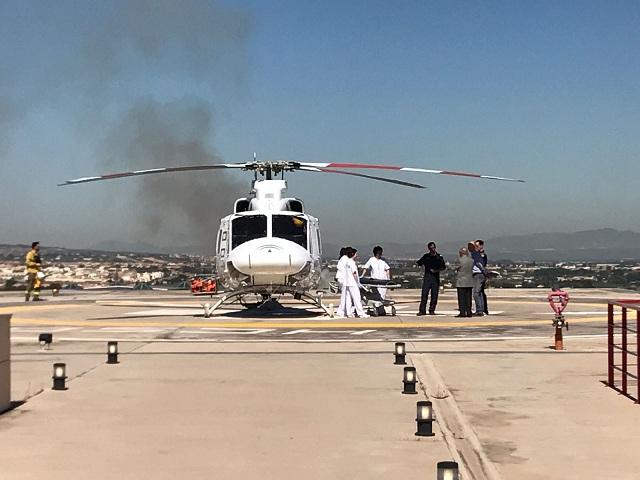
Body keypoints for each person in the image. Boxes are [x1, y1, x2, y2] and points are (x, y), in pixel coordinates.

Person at [416, 242, 446, 315]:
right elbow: (419, 263)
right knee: (424, 294)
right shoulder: (426, 256)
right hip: (427, 277)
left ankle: (432, 310)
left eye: (433, 248)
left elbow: (443, 267)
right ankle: (422, 310)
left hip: (435, 278)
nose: (432, 249)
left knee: (434, 295)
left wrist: (436, 270)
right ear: (429, 248)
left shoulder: (439, 257)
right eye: (431, 248)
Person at [339, 247, 369, 318]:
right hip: (353, 283)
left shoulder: (347, 262)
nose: (356, 255)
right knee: (357, 298)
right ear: (353, 254)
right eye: (355, 254)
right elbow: (354, 273)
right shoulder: (352, 262)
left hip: (347, 283)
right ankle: (361, 313)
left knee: (348, 298)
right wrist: (357, 282)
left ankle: (349, 313)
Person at [455, 245, 474, 317]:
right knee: (468, 298)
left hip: (461, 281)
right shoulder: (471, 260)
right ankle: (469, 312)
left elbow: (456, 268)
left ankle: (462, 312)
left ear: (461, 253)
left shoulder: (459, 260)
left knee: (461, 298)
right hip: (469, 281)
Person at [471, 241, 488, 316]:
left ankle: (479, 310)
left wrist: (484, 272)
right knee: (479, 293)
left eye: (477, 246)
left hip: (479, 274)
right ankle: (481, 309)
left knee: (476, 293)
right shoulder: (479, 254)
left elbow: (480, 264)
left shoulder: (478, 255)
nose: (475, 248)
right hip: (479, 274)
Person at [335, 247, 349, 317]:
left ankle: (343, 310)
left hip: (340, 278)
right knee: (346, 296)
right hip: (343, 279)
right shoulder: (345, 259)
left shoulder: (341, 259)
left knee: (345, 295)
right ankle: (342, 311)